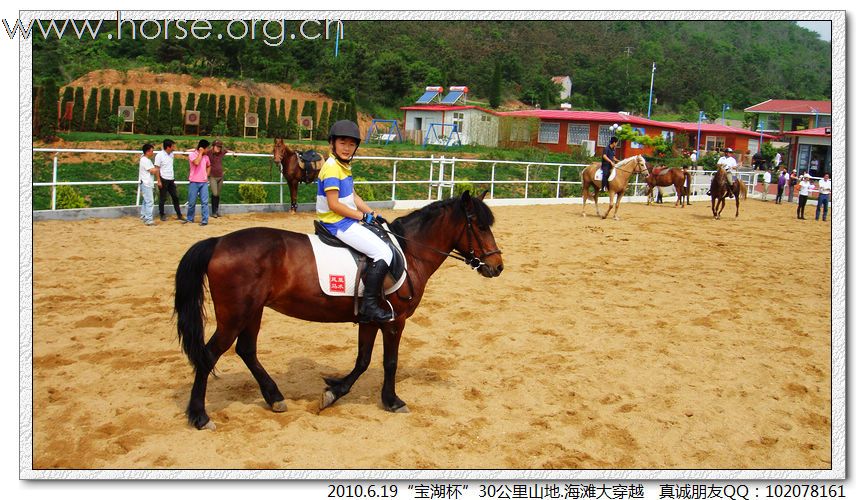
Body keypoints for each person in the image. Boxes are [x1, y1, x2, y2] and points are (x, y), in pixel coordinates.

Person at [317, 120, 394, 323]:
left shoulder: (343, 166)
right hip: (336, 223)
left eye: (351, 144)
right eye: (343, 143)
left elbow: (352, 196)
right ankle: (369, 305)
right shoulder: (332, 168)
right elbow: (334, 205)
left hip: (344, 220)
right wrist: (363, 217)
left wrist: (373, 214)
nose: (347, 148)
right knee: (383, 252)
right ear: (332, 143)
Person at [154, 139, 183, 221]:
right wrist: (158, 180)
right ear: (168, 147)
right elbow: (157, 168)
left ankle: (179, 214)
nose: (174, 148)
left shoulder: (171, 154)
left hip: (171, 179)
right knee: (163, 198)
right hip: (163, 178)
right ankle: (162, 214)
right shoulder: (159, 155)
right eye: (172, 146)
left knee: (175, 197)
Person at [184, 139, 211, 226]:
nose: (208, 150)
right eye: (207, 148)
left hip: (203, 182)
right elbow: (196, 162)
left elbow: (209, 166)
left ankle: (205, 220)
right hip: (194, 181)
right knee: (192, 202)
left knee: (205, 202)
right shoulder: (192, 155)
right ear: (202, 148)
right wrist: (200, 153)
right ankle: (190, 218)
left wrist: (206, 175)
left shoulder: (206, 157)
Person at [207, 140, 229, 218]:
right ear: (213, 146)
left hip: (220, 176)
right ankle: (213, 211)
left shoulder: (221, 153)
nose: (219, 148)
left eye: (220, 147)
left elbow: (227, 151)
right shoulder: (209, 153)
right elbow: (199, 150)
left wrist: (234, 153)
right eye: (217, 146)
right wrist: (186, 151)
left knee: (218, 194)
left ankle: (216, 211)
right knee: (215, 193)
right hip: (212, 176)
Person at [138, 143, 159, 226]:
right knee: (149, 201)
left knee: (146, 201)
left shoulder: (144, 159)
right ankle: (148, 219)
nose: (152, 153)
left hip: (146, 182)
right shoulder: (145, 160)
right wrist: (157, 168)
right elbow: (152, 171)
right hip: (146, 183)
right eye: (151, 151)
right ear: (147, 151)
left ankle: (144, 215)